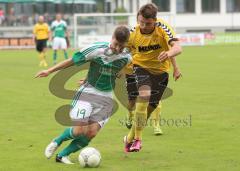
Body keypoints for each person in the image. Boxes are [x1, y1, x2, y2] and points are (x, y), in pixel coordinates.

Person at [35, 25, 130, 164]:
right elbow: (71, 61)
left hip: (107, 98)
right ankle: (57, 141)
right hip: (88, 93)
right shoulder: (96, 49)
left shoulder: (127, 57)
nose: (117, 49)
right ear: (112, 38)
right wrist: (49, 71)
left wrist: (122, 75)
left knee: (91, 133)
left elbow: (121, 70)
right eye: (116, 44)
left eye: (121, 46)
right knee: (80, 130)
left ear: (126, 44)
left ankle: (62, 156)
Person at [124, 3, 182, 152]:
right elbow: (121, 53)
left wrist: (172, 62)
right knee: (143, 96)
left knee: (149, 109)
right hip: (140, 67)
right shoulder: (132, 33)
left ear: (155, 20)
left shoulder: (163, 28)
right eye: (141, 21)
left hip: (161, 72)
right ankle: (138, 140)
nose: (143, 25)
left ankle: (129, 137)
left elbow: (176, 47)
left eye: (147, 23)